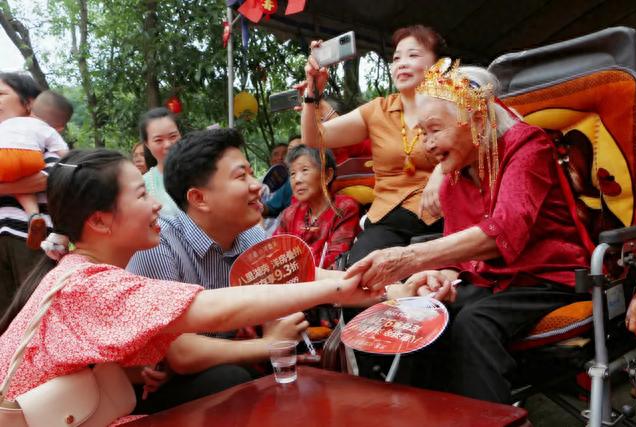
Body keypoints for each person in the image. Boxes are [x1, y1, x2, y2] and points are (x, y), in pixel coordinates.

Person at [0, 148, 369, 425]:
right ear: (100, 221)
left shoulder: (78, 271)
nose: (157, 205)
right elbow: (214, 307)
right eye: (142, 195)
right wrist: (337, 293)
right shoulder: (92, 284)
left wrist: (381, 283)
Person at [345, 60, 591, 403]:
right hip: (492, 284)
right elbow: (462, 260)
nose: (427, 144)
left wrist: (410, 258)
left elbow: (504, 230)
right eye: (422, 134)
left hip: (548, 279)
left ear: (477, 120)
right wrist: (439, 277)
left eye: (434, 130)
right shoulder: (454, 176)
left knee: (474, 323)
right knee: (424, 316)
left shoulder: (526, 145)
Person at [127, 128, 310, 412]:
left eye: (252, 173)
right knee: (232, 380)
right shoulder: (160, 245)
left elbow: (291, 283)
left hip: (211, 368)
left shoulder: (250, 235)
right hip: (151, 387)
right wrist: (270, 344)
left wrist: (368, 285)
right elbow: (181, 354)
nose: (257, 186)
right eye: (241, 176)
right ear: (199, 199)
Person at [301, 25, 446, 266]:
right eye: (397, 58)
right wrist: (312, 91)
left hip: (444, 216)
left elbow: (477, 141)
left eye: (413, 55)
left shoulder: (454, 104)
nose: (402, 63)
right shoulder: (377, 109)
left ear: (438, 65)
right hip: (388, 220)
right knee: (361, 280)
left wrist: (442, 171)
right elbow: (314, 138)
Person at [0, 73, 56, 315]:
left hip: (32, 239)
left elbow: (54, 175)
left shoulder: (41, 133)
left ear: (29, 102)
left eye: (1, 94)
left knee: (36, 315)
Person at [0, 90, 73, 249]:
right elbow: (66, 157)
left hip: (3, 157)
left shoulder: (9, 124)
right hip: (30, 158)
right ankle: (33, 214)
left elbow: (47, 179)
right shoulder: (47, 130)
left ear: (29, 105)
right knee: (22, 177)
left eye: (2, 94)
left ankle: (34, 216)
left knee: (16, 177)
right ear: (60, 127)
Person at [274, 145, 360, 269]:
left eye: (304, 170)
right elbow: (273, 253)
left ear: (327, 175)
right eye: (292, 173)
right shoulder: (289, 214)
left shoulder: (344, 208)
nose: (297, 180)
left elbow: (336, 260)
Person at [139, 107, 181, 217]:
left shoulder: (201, 171)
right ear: (147, 144)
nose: (168, 144)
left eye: (173, 136)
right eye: (158, 140)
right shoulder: (144, 185)